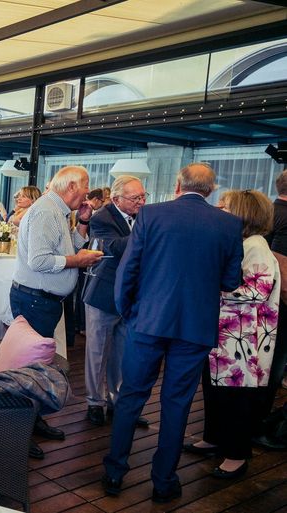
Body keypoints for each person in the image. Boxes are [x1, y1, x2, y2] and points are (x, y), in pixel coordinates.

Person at [102, 163, 243, 503]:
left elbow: (128, 269)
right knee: (177, 403)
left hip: (147, 321)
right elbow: (230, 281)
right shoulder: (229, 223)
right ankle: (164, 481)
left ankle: (114, 472)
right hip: (195, 327)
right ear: (211, 189)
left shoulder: (151, 215)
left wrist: (129, 312)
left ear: (178, 184)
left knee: (131, 396)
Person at [184, 189, 279, 478]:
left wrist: (213, 287)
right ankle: (214, 438)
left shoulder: (256, 244)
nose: (219, 210)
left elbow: (258, 291)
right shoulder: (242, 241)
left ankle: (236, 455)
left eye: (226, 207)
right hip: (227, 333)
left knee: (236, 398)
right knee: (216, 390)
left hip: (244, 338)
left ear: (243, 213)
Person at [82, 176, 149, 427]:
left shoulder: (142, 217)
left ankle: (117, 401)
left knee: (122, 353)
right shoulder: (102, 217)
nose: (141, 202)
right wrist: (147, 231)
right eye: (135, 198)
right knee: (97, 352)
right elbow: (115, 247)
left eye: (143, 196)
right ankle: (94, 402)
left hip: (130, 296)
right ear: (116, 199)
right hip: (104, 293)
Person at [10, 166, 101, 338]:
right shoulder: (47, 211)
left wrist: (83, 221)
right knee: (35, 354)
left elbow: (68, 250)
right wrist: (78, 261)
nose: (88, 192)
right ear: (72, 186)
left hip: (40, 300)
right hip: (36, 301)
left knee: (38, 352)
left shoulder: (58, 209)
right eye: (86, 185)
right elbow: (39, 261)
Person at [262, 168, 287, 449]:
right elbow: (281, 263)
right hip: (279, 304)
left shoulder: (268, 212)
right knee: (274, 364)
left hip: (262, 302)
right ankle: (261, 422)